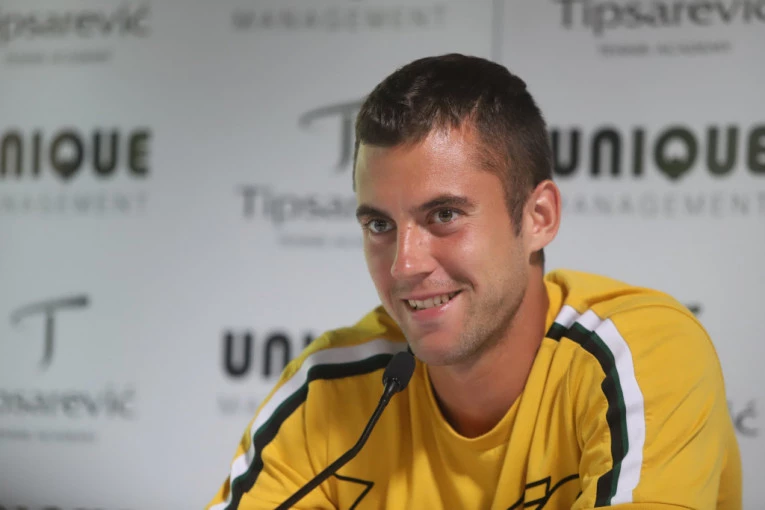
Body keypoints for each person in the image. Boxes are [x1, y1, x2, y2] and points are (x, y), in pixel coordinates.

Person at [206, 54, 742, 509]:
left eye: (444, 215)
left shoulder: (639, 355)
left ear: (538, 217)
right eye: (379, 225)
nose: (404, 266)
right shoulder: (330, 388)